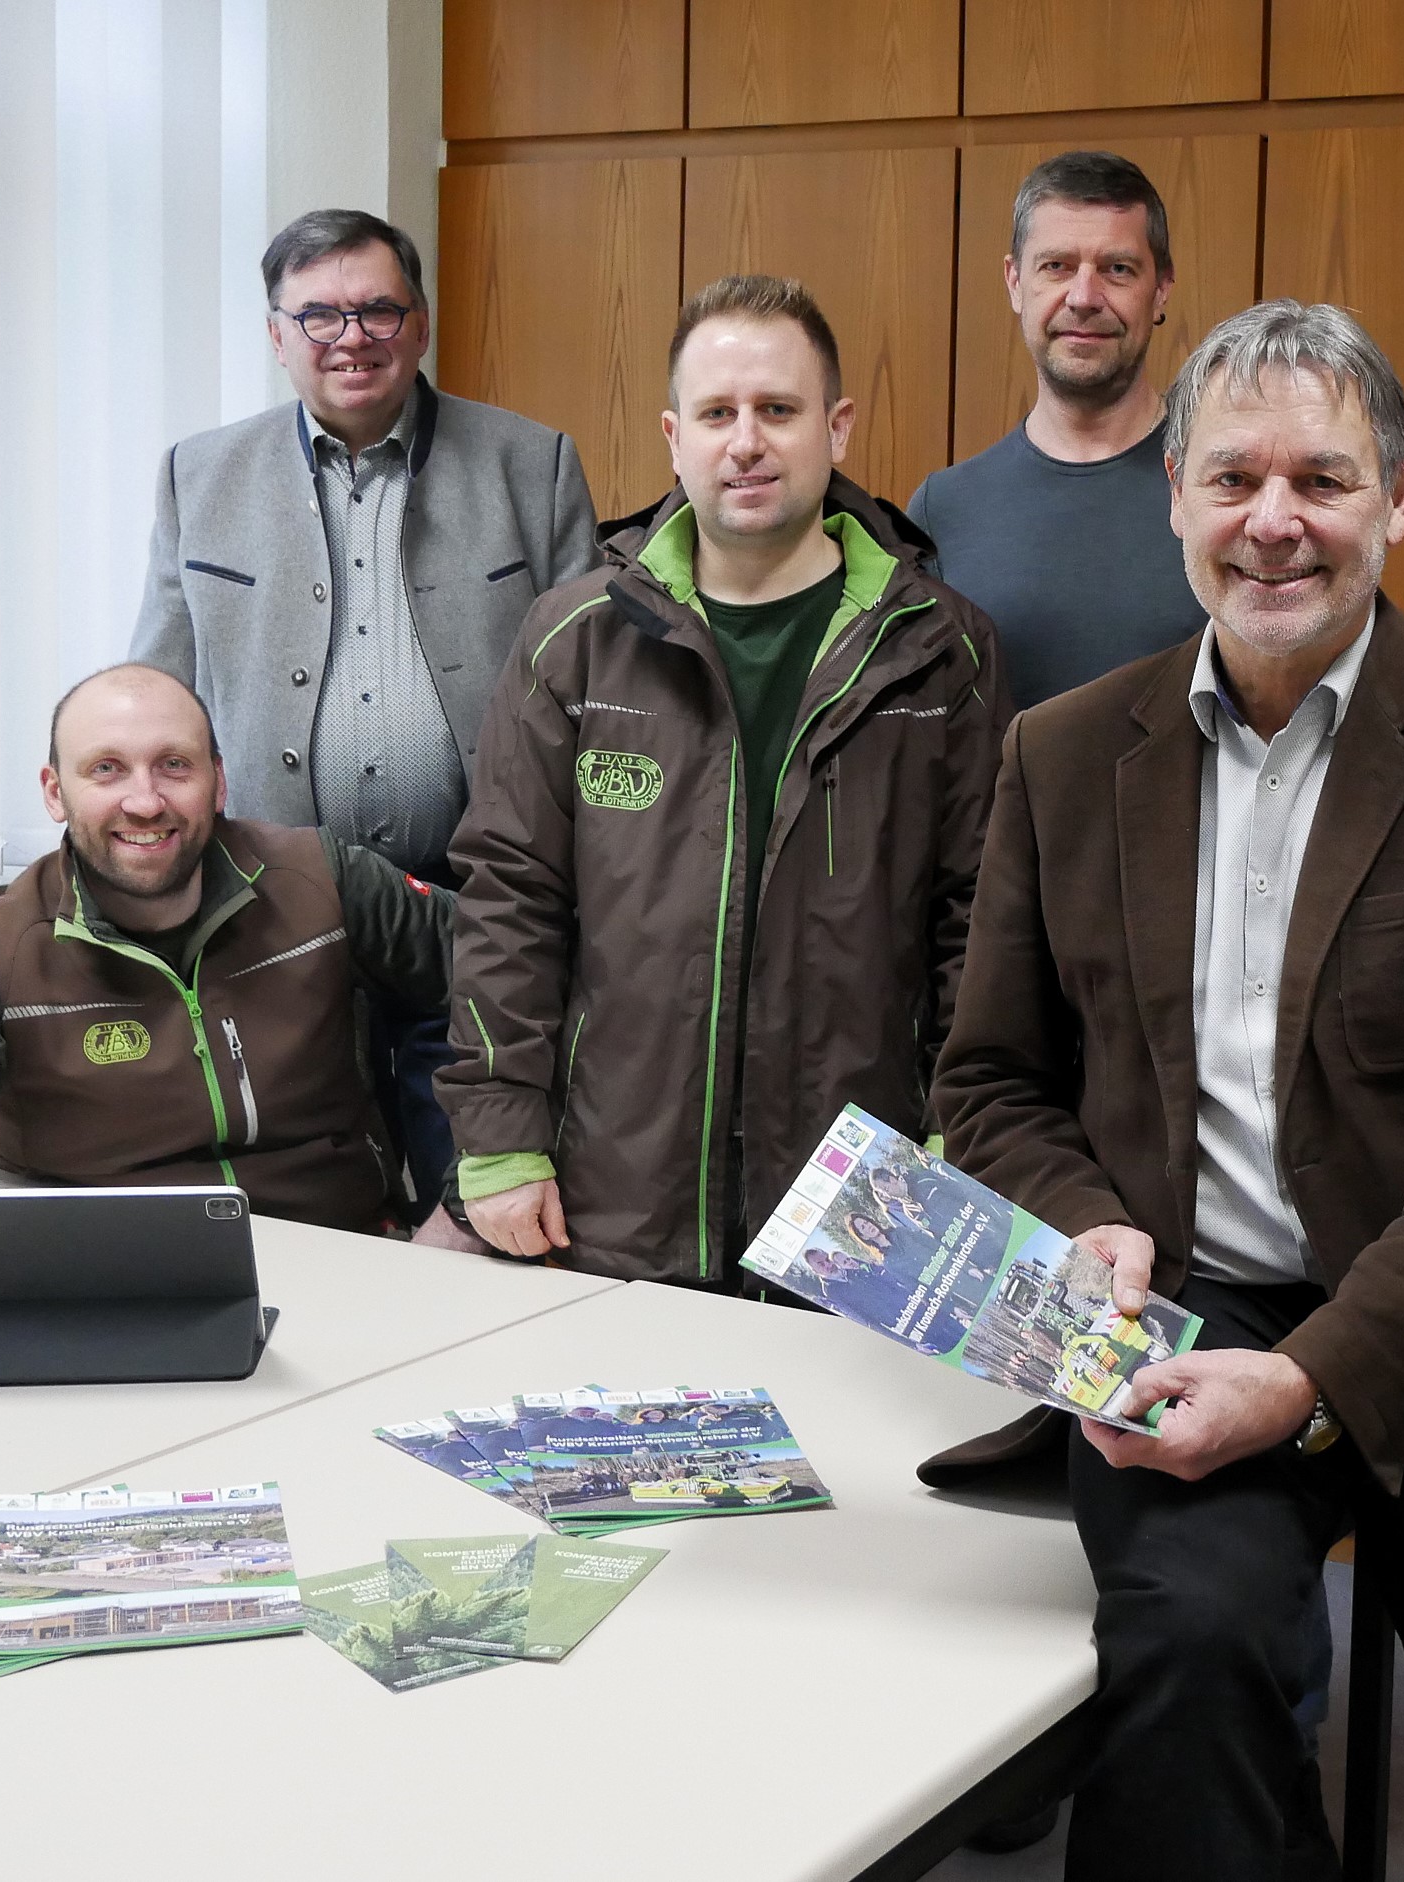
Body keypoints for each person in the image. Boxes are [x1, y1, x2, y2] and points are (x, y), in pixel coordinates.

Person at [932, 299, 1404, 1881]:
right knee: (1189, 1711)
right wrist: (1084, 1224)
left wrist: (1316, 1376)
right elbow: (992, 1078)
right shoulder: (1063, 756)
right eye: (1231, 479)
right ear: (1174, 497)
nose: (1273, 522)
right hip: (1182, 1329)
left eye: (1322, 481)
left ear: (1399, 499)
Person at [436, 274, 1012, 1284]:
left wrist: (960, 1143)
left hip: (864, 1201)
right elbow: (510, 900)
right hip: (617, 1187)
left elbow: (982, 923)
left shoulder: (939, 648)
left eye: (777, 410)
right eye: (717, 413)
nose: (745, 441)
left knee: (849, 1445)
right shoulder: (575, 640)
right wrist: (499, 1138)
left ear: (835, 426)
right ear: (673, 435)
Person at [130, 208, 598, 1223]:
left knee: (482, 1209)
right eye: (320, 315)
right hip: (275, 924)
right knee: (311, 1220)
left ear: (420, 323)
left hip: (476, 923)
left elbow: (595, 699)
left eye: (379, 309)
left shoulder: (534, 463)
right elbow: (157, 696)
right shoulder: (198, 476)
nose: (352, 336)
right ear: (276, 334)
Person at [0, 664, 459, 1267]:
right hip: (108, 1281)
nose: (145, 801)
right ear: (54, 792)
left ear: (219, 781)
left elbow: (519, 983)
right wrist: (4, 1263)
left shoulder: (321, 880)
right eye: (106, 770)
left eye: (174, 765)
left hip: (347, 1261)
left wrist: (467, 1201)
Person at [907, 151, 1202, 706]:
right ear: (1016, 282)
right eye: (1057, 267)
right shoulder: (942, 512)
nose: (1084, 298)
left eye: (1118, 269)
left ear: (1161, 288)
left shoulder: (1229, 491)